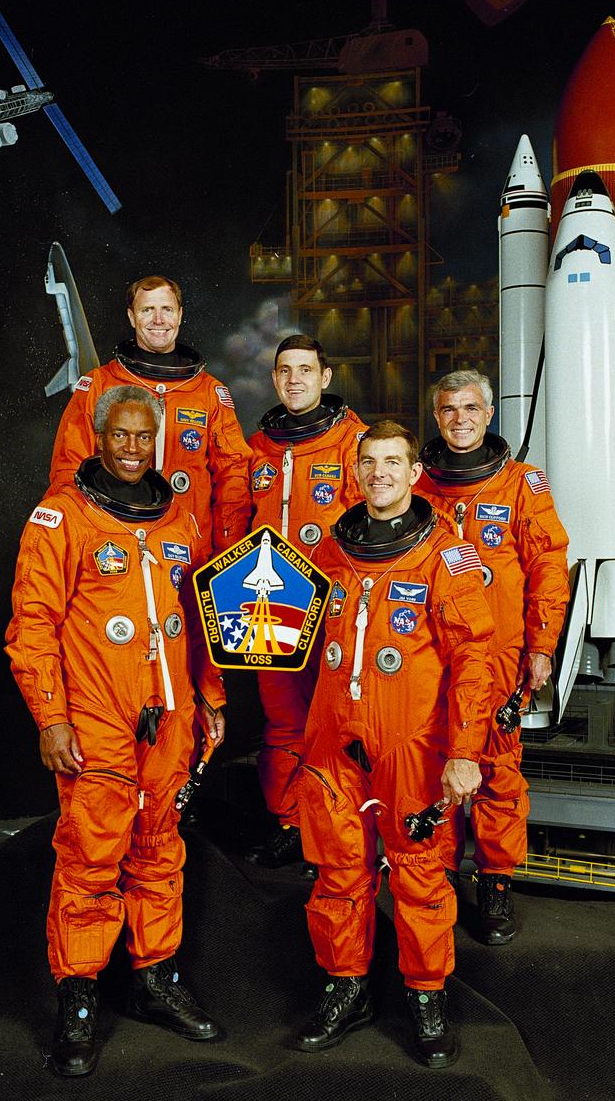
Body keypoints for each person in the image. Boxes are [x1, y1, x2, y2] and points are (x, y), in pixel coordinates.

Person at [7, 385, 228, 1078]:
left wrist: (212, 695)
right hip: (97, 718)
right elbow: (31, 627)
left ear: (156, 442)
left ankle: (155, 976)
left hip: (170, 718)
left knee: (160, 849)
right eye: (121, 436)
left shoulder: (180, 521)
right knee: (90, 857)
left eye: (143, 437)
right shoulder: (60, 517)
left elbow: (200, 618)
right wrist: (50, 716)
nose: (132, 448)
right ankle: (79, 997)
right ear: (99, 439)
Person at [295, 421, 495, 1069]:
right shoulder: (332, 549)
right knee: (336, 869)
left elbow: (473, 658)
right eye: (368, 461)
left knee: (420, 871)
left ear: (414, 473)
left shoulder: (447, 555)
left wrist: (465, 750)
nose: (378, 471)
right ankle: (346, 985)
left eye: (392, 461)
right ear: (356, 471)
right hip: (333, 739)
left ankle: (425, 994)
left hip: (412, 741)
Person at [415, 370, 569, 946]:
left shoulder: (521, 486)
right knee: (435, 762)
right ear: (437, 417)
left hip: (500, 655)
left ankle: (496, 881)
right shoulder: (418, 490)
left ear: (489, 414)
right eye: (448, 408)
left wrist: (542, 646)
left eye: (471, 407)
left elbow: (548, 570)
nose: (460, 418)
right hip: (432, 652)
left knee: (497, 770)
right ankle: (440, 876)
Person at [243, 334, 366, 869]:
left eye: (306, 369)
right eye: (285, 370)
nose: (295, 379)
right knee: (284, 724)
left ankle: (340, 828)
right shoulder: (257, 449)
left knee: (335, 723)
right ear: (275, 379)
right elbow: (233, 525)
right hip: (269, 606)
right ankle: (291, 822)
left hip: (333, 610)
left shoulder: (354, 444)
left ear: (326, 377)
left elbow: (374, 532)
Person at [48, 275, 252, 554]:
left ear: (180, 315)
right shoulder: (99, 385)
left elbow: (233, 479)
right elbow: (68, 470)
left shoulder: (209, 393)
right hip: (114, 548)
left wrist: (227, 556)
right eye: (147, 310)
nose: (158, 320)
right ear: (132, 317)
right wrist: (80, 545)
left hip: (191, 551)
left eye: (167, 309)